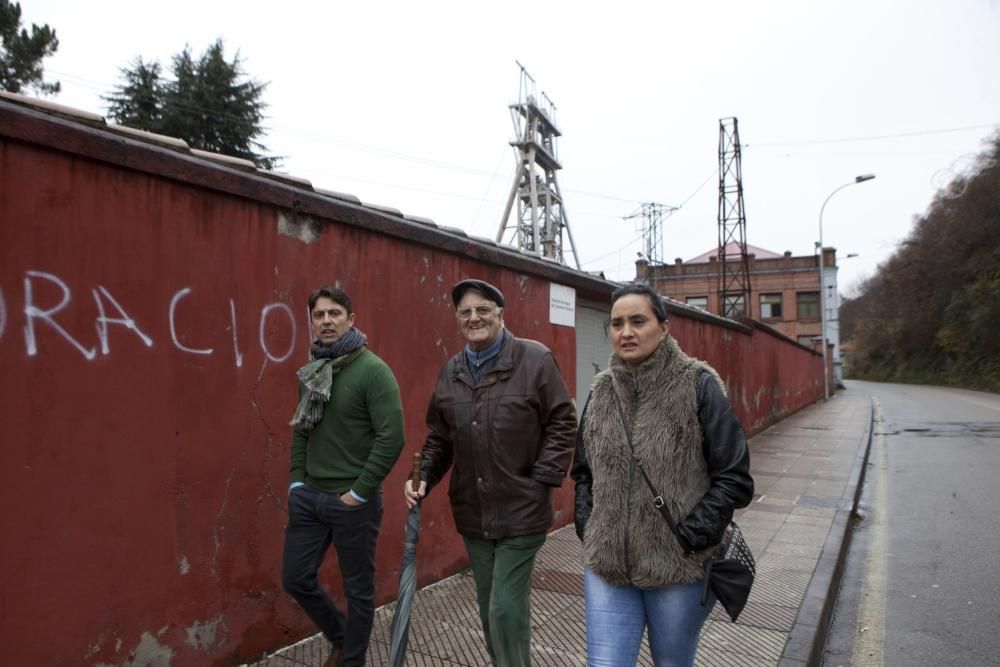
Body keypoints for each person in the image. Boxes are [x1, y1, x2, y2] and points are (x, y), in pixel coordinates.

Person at [571, 283, 754, 667]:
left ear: (664, 327)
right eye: (617, 323)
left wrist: (693, 535)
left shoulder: (699, 385)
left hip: (678, 568)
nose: (626, 332)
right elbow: (584, 471)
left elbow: (734, 476)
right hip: (607, 567)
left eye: (638, 321)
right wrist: (590, 526)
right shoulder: (601, 392)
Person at [404, 278, 577, 666]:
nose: (474, 317)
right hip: (474, 510)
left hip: (523, 508)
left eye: (483, 309)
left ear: (500, 314)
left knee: (504, 607)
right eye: (465, 311)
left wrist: (543, 480)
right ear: (457, 320)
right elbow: (441, 437)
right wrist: (423, 477)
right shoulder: (451, 371)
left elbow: (563, 421)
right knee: (489, 610)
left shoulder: (535, 359)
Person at [282, 285, 405, 667]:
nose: (326, 321)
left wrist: (360, 492)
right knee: (296, 578)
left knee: (359, 592)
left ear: (350, 320)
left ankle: (352, 660)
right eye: (319, 315)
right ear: (312, 322)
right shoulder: (312, 370)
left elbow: (392, 437)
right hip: (310, 498)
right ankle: (340, 635)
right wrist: (296, 482)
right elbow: (303, 427)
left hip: (353, 502)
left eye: (334, 313)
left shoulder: (373, 370)